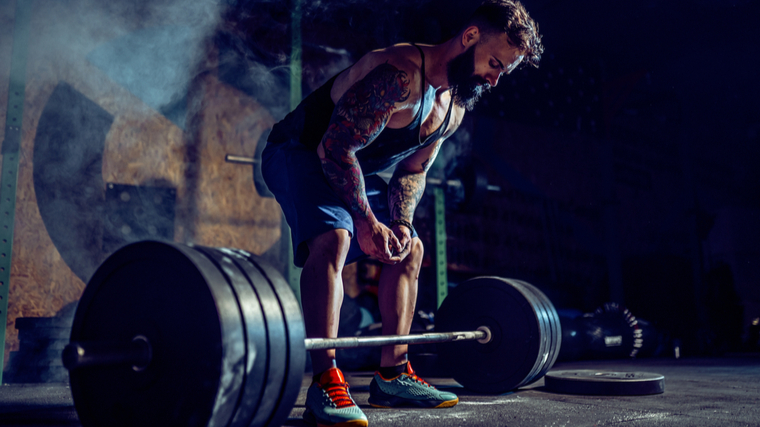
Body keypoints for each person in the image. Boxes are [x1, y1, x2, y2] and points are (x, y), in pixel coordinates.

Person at [261, 1, 542, 425]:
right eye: (494, 63)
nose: (495, 78)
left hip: (346, 165)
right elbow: (334, 150)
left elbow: (412, 171)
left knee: (410, 249)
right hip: (298, 152)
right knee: (334, 238)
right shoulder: (399, 74)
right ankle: (325, 379)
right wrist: (364, 221)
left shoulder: (453, 109)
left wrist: (400, 223)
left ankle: (392, 374)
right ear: (469, 38)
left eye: (504, 71)